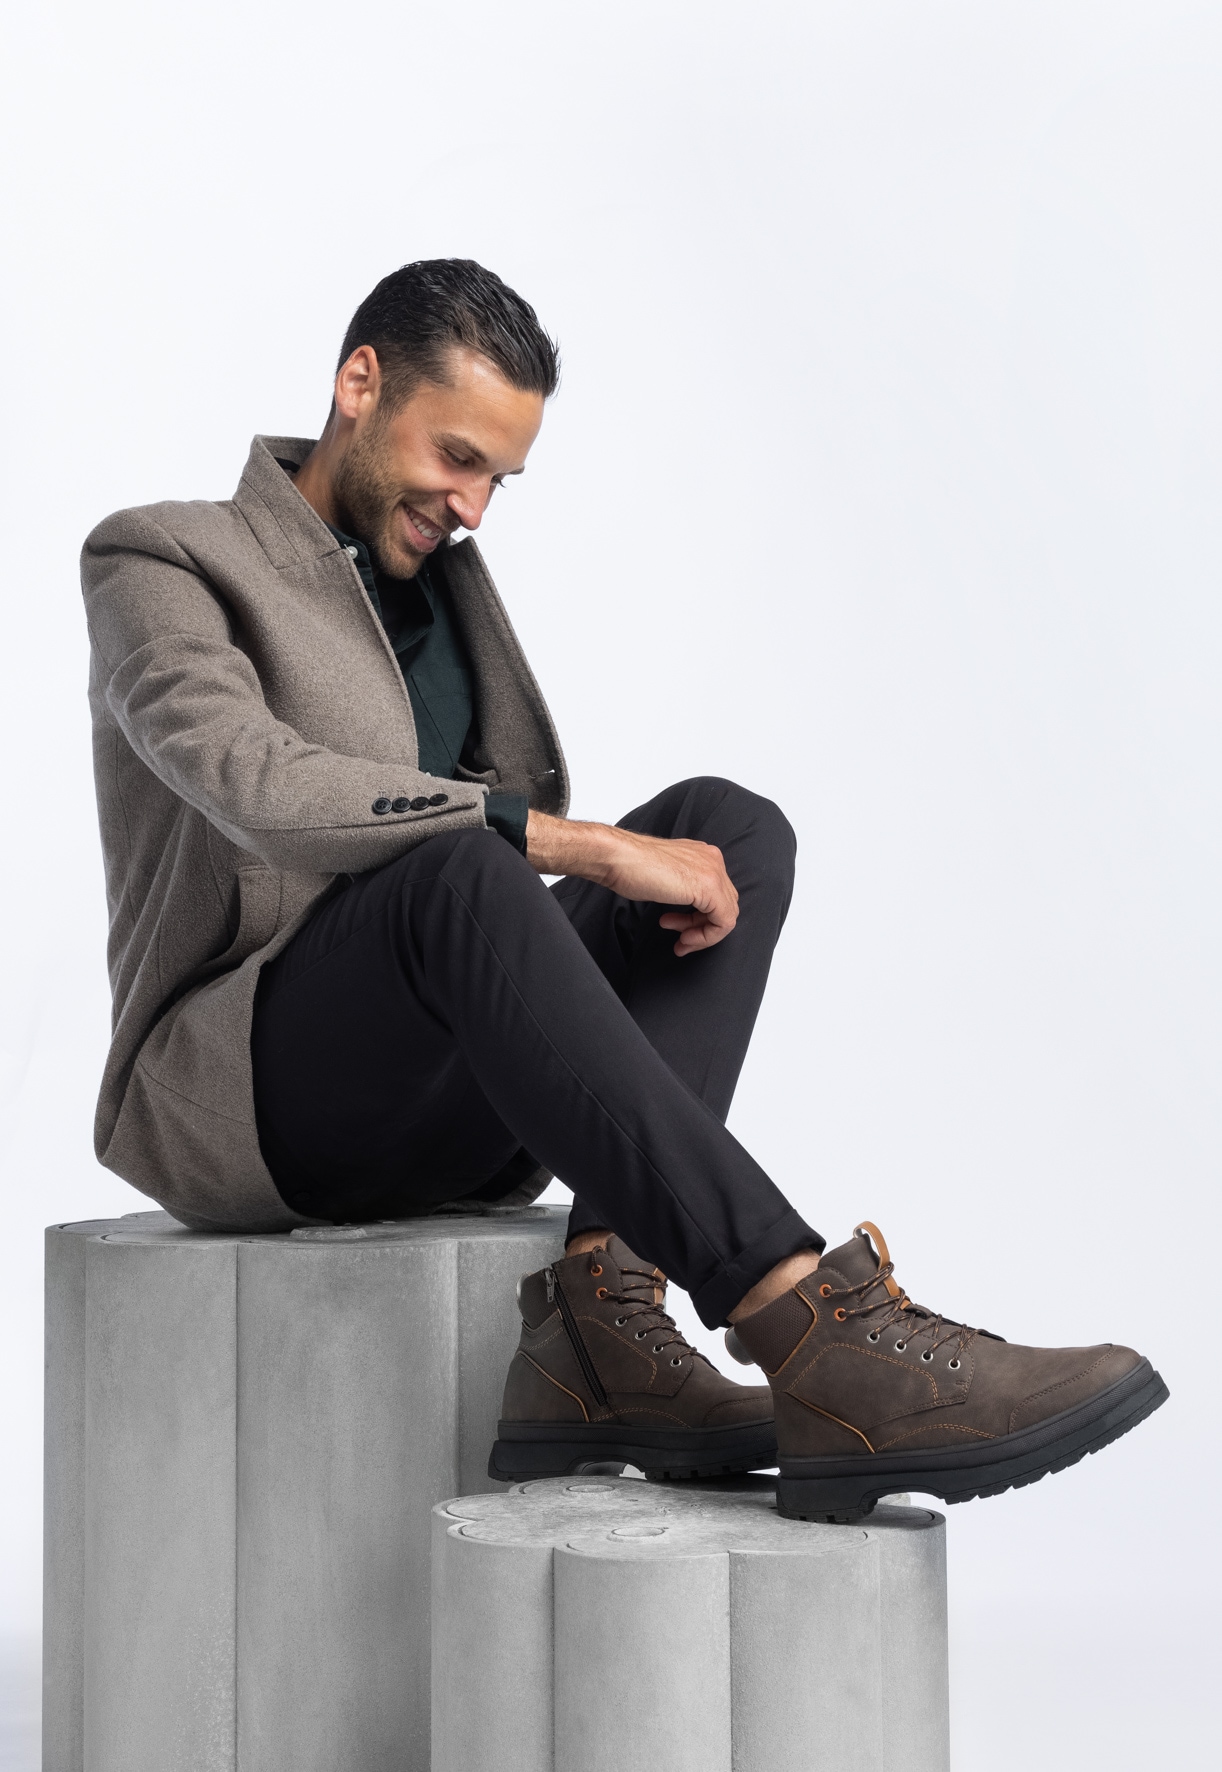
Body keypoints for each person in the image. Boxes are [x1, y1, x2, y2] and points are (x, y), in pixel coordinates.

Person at [83, 259, 1166, 1522]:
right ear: (358, 383)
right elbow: (246, 774)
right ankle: (806, 1320)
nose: (472, 506)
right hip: (250, 1093)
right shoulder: (163, 558)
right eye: (456, 456)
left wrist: (599, 852)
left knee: (726, 833)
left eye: (498, 479)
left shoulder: (440, 583)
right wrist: (577, 844)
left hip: (444, 1082)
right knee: (463, 868)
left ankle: (601, 1324)